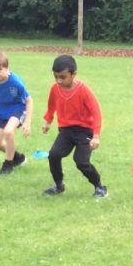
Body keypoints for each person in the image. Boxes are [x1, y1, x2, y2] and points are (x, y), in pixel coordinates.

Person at [42, 54, 107, 198]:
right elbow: (51, 106)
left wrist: (96, 136)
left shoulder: (83, 91)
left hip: (84, 131)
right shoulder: (55, 89)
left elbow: (96, 113)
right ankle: (59, 186)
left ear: (73, 74)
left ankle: (99, 187)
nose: (59, 80)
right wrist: (48, 121)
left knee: (81, 161)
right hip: (66, 131)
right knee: (54, 155)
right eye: (56, 77)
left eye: (63, 77)